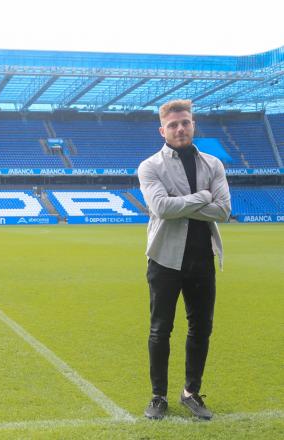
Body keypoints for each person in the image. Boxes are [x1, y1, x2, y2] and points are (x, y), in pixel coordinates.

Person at [137, 99, 231, 420]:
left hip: (203, 258)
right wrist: (204, 196)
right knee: (160, 329)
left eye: (185, 122)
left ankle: (191, 392)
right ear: (162, 130)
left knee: (201, 328)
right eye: (173, 125)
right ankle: (158, 397)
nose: (180, 128)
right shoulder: (150, 166)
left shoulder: (213, 165)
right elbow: (162, 207)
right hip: (164, 259)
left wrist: (186, 203)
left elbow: (224, 210)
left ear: (193, 125)